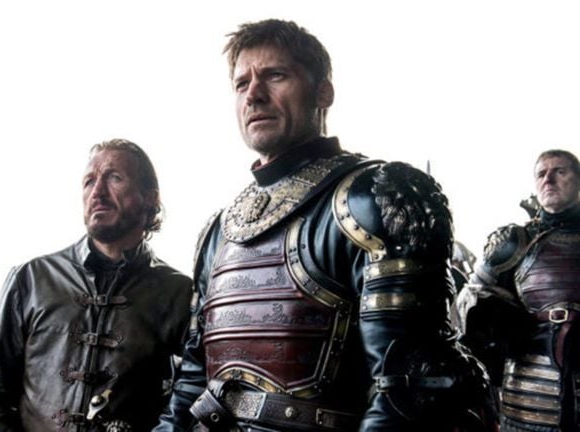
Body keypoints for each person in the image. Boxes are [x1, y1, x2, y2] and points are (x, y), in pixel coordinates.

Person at [155, 19, 489, 431]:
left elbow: (407, 393)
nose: (254, 94)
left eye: (275, 75)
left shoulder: (374, 199)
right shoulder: (218, 231)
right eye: (241, 84)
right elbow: (191, 384)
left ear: (323, 92)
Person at [0, 139, 193, 431]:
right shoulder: (31, 279)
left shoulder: (178, 292)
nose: (97, 192)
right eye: (88, 181)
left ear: (150, 198)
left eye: (114, 177)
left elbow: (194, 390)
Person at [458, 149, 580, 431]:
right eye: (541, 174)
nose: (548, 179)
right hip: (529, 385)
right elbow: (467, 300)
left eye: (559, 171)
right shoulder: (513, 241)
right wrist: (496, 321)